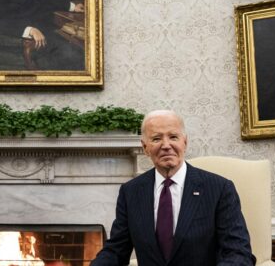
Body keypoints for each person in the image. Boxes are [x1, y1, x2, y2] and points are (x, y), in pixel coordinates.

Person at [91, 110, 255, 266]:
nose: (166, 145)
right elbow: (116, 251)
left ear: (185, 142)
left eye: (173, 137)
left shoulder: (220, 189)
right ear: (145, 147)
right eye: (156, 139)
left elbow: (237, 252)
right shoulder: (130, 192)